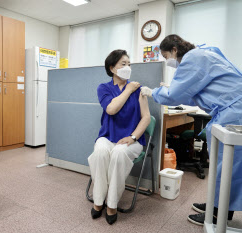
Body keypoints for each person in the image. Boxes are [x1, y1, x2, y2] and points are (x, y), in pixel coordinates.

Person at [141, 34, 242, 225]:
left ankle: (217, 214)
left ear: (174, 50)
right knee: (228, 165)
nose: (166, 61)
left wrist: (155, 92)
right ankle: (217, 205)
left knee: (227, 166)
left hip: (235, 111)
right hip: (233, 108)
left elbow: (175, 97)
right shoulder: (203, 53)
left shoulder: (192, 59)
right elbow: (190, 95)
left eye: (165, 56)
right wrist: (169, 90)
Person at [88, 49, 151, 225]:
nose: (128, 67)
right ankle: (98, 201)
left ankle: (112, 204)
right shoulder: (104, 88)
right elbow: (111, 109)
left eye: (129, 64)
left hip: (132, 140)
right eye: (123, 64)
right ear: (112, 68)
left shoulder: (139, 89)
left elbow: (146, 117)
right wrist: (128, 90)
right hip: (108, 137)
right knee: (100, 151)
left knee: (119, 153)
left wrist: (132, 137)